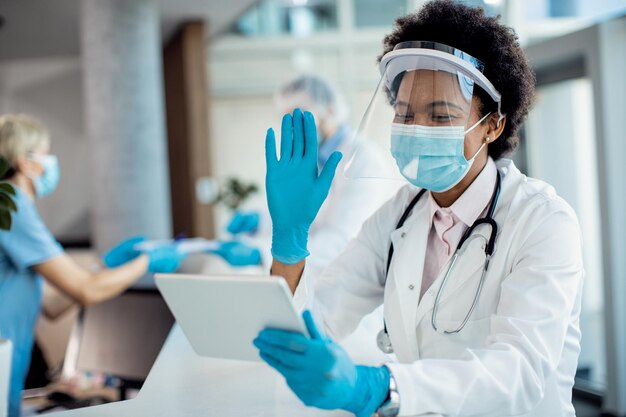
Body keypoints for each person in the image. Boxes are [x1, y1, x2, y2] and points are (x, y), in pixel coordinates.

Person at [252, 2, 583, 417]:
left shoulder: (543, 222)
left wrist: (378, 386)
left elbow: (519, 372)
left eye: (440, 115)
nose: (417, 129)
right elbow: (313, 323)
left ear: (493, 125)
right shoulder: (400, 214)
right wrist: (289, 244)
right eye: (405, 114)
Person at [0, 114, 184, 417]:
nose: (50, 163)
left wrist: (103, 266)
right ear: (26, 162)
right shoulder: (12, 205)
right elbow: (85, 292)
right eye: (46, 155)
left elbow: (53, 303)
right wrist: (147, 261)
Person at [216, 75, 399, 280]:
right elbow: (306, 218)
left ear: (330, 109)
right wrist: (261, 221)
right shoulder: (311, 158)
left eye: (300, 114)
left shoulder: (363, 158)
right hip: (315, 285)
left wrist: (261, 252)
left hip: (355, 289)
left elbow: (343, 241)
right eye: (286, 118)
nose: (293, 126)